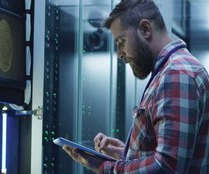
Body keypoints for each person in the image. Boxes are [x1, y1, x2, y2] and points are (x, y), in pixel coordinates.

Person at [63, 0, 209, 173]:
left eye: (122, 41)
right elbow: (165, 155)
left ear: (145, 29)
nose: (119, 54)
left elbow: (166, 167)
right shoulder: (170, 71)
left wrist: (105, 167)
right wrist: (126, 153)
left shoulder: (176, 74)